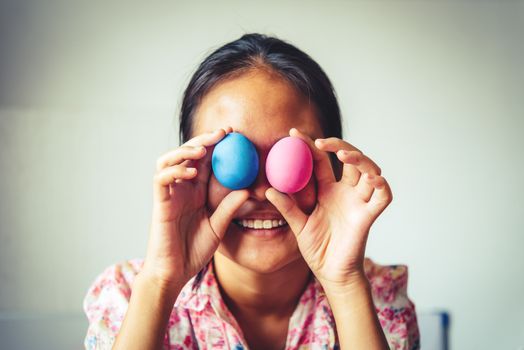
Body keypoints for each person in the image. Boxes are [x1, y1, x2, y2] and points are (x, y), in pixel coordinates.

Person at [83, 33, 420, 350]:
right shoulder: (128, 295)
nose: (261, 191)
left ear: (331, 169)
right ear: (190, 169)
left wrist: (345, 284)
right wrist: (159, 283)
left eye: (287, 156)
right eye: (229, 158)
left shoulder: (375, 297)